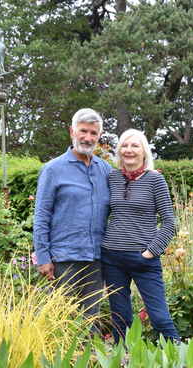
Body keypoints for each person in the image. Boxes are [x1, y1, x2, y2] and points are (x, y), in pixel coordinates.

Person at [100, 129, 181, 343]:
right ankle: (121, 365)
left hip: (143, 259)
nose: (129, 150)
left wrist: (150, 252)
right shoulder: (113, 178)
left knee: (160, 318)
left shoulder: (155, 180)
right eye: (124, 146)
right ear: (119, 151)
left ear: (144, 151)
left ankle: (181, 366)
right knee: (120, 318)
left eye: (134, 146)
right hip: (112, 258)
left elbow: (169, 222)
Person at [33, 108, 111, 324]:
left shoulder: (105, 170)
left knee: (90, 320)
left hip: (96, 259)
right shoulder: (53, 169)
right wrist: (43, 257)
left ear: (99, 136)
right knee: (60, 322)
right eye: (83, 131)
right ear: (72, 131)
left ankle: (89, 358)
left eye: (93, 133)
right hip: (64, 260)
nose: (88, 137)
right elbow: (41, 215)